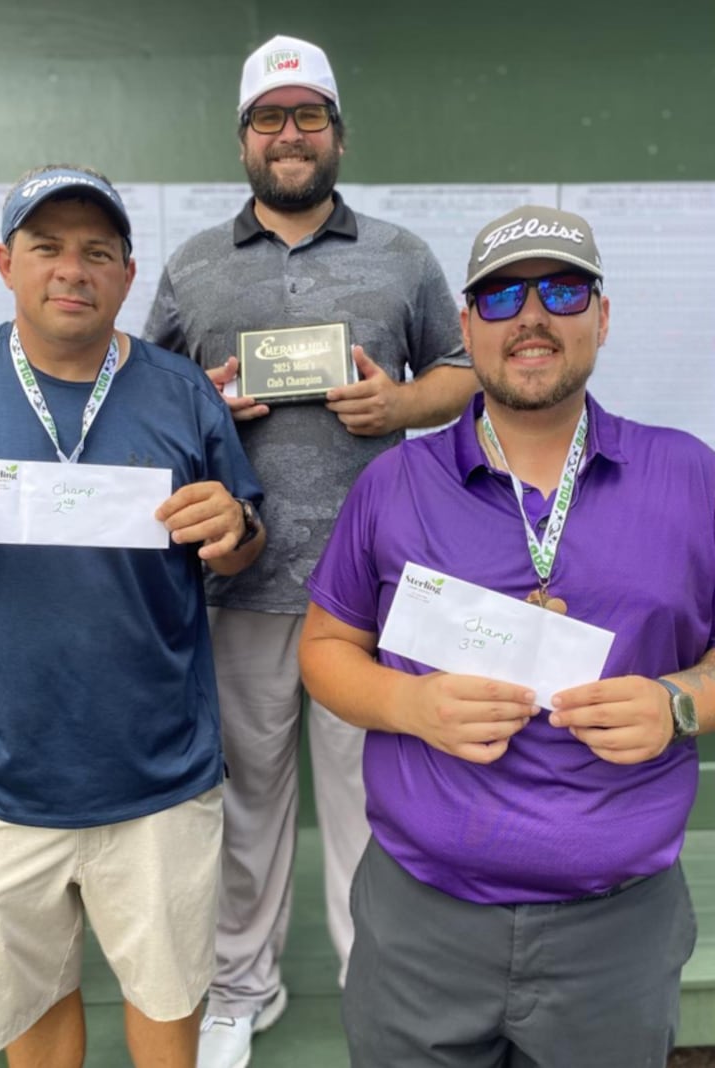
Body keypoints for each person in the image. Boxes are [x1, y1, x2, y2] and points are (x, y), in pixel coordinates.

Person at [299, 203, 715, 1068]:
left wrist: (681, 703)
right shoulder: (395, 484)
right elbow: (325, 649)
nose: (531, 317)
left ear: (601, 316)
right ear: (465, 327)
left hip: (616, 931)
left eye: (563, 292)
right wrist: (408, 703)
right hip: (421, 923)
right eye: (500, 297)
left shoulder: (689, 475)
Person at [143, 32, 477, 1068]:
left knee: (372, 806)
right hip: (235, 583)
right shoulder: (193, 264)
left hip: (375, 590)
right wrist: (196, 402)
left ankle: (372, 982)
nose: (288, 136)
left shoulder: (401, 254)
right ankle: (242, 988)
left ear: (335, 131)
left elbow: (463, 372)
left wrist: (399, 401)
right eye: (268, 119)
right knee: (247, 804)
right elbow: (143, 402)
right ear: (243, 138)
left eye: (307, 116)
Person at [0, 164, 266, 1068]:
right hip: (1, 783)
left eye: (97, 252)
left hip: (160, 782)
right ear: (5, 262)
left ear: (127, 274)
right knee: (35, 1006)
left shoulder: (182, 390)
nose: (72, 269)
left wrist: (234, 527)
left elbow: (245, 533)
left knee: (166, 999)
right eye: (48, 247)